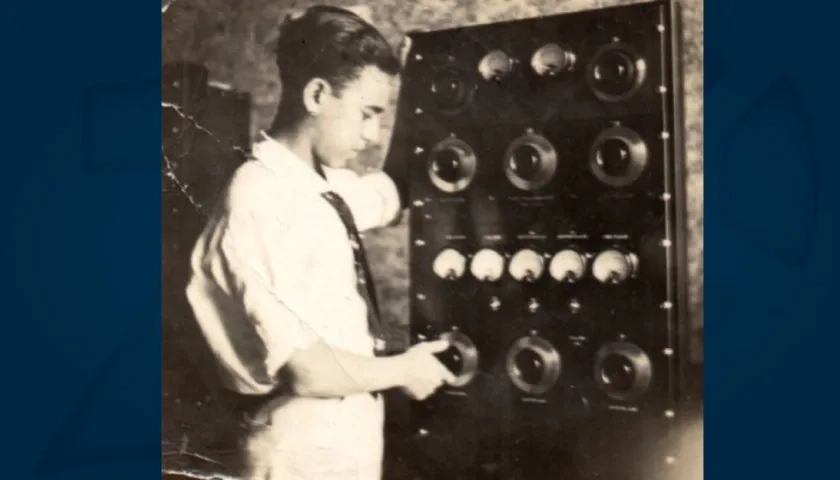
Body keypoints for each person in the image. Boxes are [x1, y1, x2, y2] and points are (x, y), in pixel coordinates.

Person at [184, 6, 456, 480]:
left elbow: (395, 187)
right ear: (316, 94)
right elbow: (306, 370)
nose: (372, 136)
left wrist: (414, 88)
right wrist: (404, 370)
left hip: (342, 443)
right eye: (368, 114)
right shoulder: (259, 198)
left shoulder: (322, 186)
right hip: (294, 453)